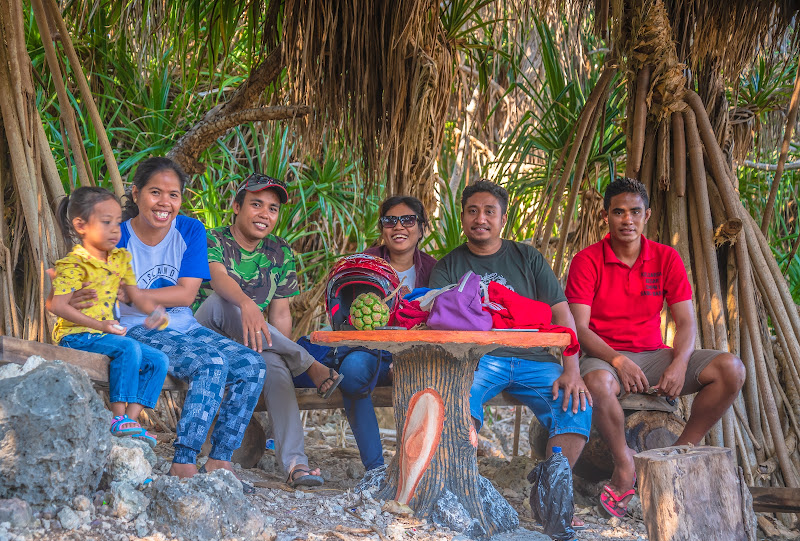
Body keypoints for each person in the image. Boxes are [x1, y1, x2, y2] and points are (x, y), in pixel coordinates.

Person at [60, 158, 267, 482]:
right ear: (136, 192)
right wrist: (83, 295)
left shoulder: (189, 230)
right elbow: (92, 283)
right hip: (134, 328)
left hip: (183, 323)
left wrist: (135, 293)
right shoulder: (118, 234)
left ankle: (219, 460)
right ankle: (183, 461)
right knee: (211, 363)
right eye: (155, 192)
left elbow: (186, 296)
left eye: (173, 195)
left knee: (252, 366)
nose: (164, 203)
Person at [565, 177, 745, 518]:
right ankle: (625, 468)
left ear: (647, 214)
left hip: (654, 354)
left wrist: (679, 363)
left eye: (635, 212)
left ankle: (675, 456)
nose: (627, 220)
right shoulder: (587, 261)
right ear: (605, 216)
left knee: (730, 370)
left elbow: (688, 322)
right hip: (603, 355)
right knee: (600, 384)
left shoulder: (666, 258)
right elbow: (580, 329)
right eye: (618, 212)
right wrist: (618, 360)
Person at [429, 180, 592, 490]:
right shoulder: (448, 266)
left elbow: (562, 313)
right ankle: (459, 483)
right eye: (473, 211)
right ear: (462, 216)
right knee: (458, 400)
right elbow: (440, 324)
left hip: (536, 359)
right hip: (478, 361)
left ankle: (553, 491)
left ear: (503, 219)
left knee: (576, 405)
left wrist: (573, 370)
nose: (481, 219)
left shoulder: (527, 258)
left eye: (490, 212)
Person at [193, 173, 343, 487]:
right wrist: (247, 304)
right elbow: (219, 280)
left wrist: (272, 347)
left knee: (275, 368)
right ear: (236, 206)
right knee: (226, 302)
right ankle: (307, 362)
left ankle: (295, 465)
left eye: (272, 209)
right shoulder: (212, 238)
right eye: (256, 204)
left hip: (253, 341)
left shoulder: (280, 252)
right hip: (206, 336)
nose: (264, 214)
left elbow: (280, 313)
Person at [50, 187, 169, 448]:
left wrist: (153, 311)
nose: (115, 230)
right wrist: (100, 325)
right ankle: (117, 418)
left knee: (159, 359)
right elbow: (57, 306)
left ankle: (131, 420)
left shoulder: (120, 258)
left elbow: (134, 295)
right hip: (76, 336)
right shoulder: (73, 264)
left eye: (117, 222)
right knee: (128, 348)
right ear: (81, 225)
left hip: (104, 334)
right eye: (106, 223)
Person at [336, 196, 437, 474]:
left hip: (417, 354)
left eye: (408, 220)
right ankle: (376, 470)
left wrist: (406, 357)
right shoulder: (360, 264)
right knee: (352, 372)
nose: (399, 227)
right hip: (370, 352)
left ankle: (420, 470)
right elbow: (346, 316)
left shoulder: (433, 269)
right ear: (382, 227)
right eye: (390, 220)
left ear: (421, 227)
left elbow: (440, 321)